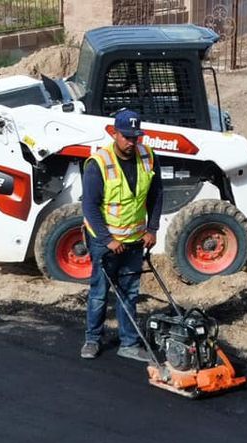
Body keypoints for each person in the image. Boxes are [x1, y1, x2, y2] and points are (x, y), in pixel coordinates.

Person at [79, 107, 160, 360]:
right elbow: (89, 206)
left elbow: (156, 195)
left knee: (130, 293)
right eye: (126, 137)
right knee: (99, 293)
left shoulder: (147, 156)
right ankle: (92, 339)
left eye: (136, 137)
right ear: (114, 133)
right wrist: (107, 240)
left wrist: (152, 228)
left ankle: (129, 344)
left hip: (135, 240)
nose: (131, 142)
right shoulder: (99, 164)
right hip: (105, 242)